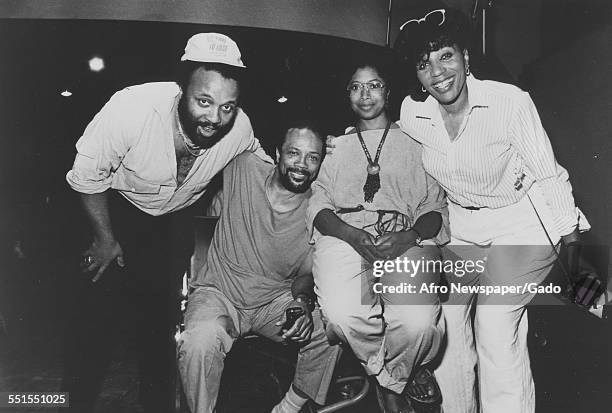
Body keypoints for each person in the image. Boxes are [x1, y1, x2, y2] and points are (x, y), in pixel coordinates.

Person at [394, 7, 590, 413]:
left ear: (466, 56)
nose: (437, 72)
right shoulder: (413, 114)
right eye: (423, 63)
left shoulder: (509, 103)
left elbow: (548, 176)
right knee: (445, 316)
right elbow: (391, 140)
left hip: (522, 221)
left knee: (495, 323)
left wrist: (573, 253)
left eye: (445, 55)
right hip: (463, 227)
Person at [63, 33, 271, 412]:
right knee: (93, 327)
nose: (214, 118)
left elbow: (264, 163)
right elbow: (85, 176)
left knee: (158, 334)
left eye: (227, 107)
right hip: (113, 209)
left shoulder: (239, 127)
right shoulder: (132, 108)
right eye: (204, 101)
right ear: (182, 87)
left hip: (170, 223)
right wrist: (105, 238)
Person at [307, 57, 448, 413]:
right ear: (348, 95)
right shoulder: (335, 147)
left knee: (417, 323)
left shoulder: (415, 142)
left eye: (373, 85)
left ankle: (394, 377)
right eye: (356, 87)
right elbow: (320, 206)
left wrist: (410, 236)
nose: (365, 94)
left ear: (388, 91)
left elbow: (433, 206)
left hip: (404, 238)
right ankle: (391, 375)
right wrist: (350, 235)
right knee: (340, 313)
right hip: (346, 236)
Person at [177, 121, 340, 413]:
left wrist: (302, 303)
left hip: (273, 303)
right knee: (199, 341)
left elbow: (305, 273)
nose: (301, 165)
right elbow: (221, 126)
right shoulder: (243, 166)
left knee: (333, 327)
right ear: (277, 153)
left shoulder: (320, 209)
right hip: (219, 292)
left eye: (312, 157)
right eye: (293, 153)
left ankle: (289, 407)